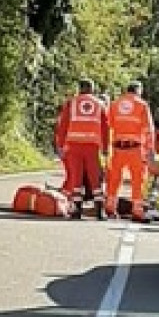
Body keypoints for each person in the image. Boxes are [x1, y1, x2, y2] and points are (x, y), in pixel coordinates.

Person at [54, 79, 109, 217]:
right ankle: (99, 210)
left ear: (79, 89)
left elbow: (63, 125)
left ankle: (77, 209)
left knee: (76, 178)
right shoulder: (100, 104)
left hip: (73, 145)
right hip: (92, 146)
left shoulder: (71, 103)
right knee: (95, 178)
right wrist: (106, 147)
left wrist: (60, 145)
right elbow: (105, 127)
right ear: (92, 89)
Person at [106, 81, 156, 222]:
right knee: (138, 180)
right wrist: (150, 150)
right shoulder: (142, 105)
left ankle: (110, 208)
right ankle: (137, 211)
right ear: (138, 90)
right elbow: (148, 130)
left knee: (114, 179)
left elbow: (108, 126)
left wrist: (107, 148)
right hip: (135, 148)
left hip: (117, 147)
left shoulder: (115, 104)